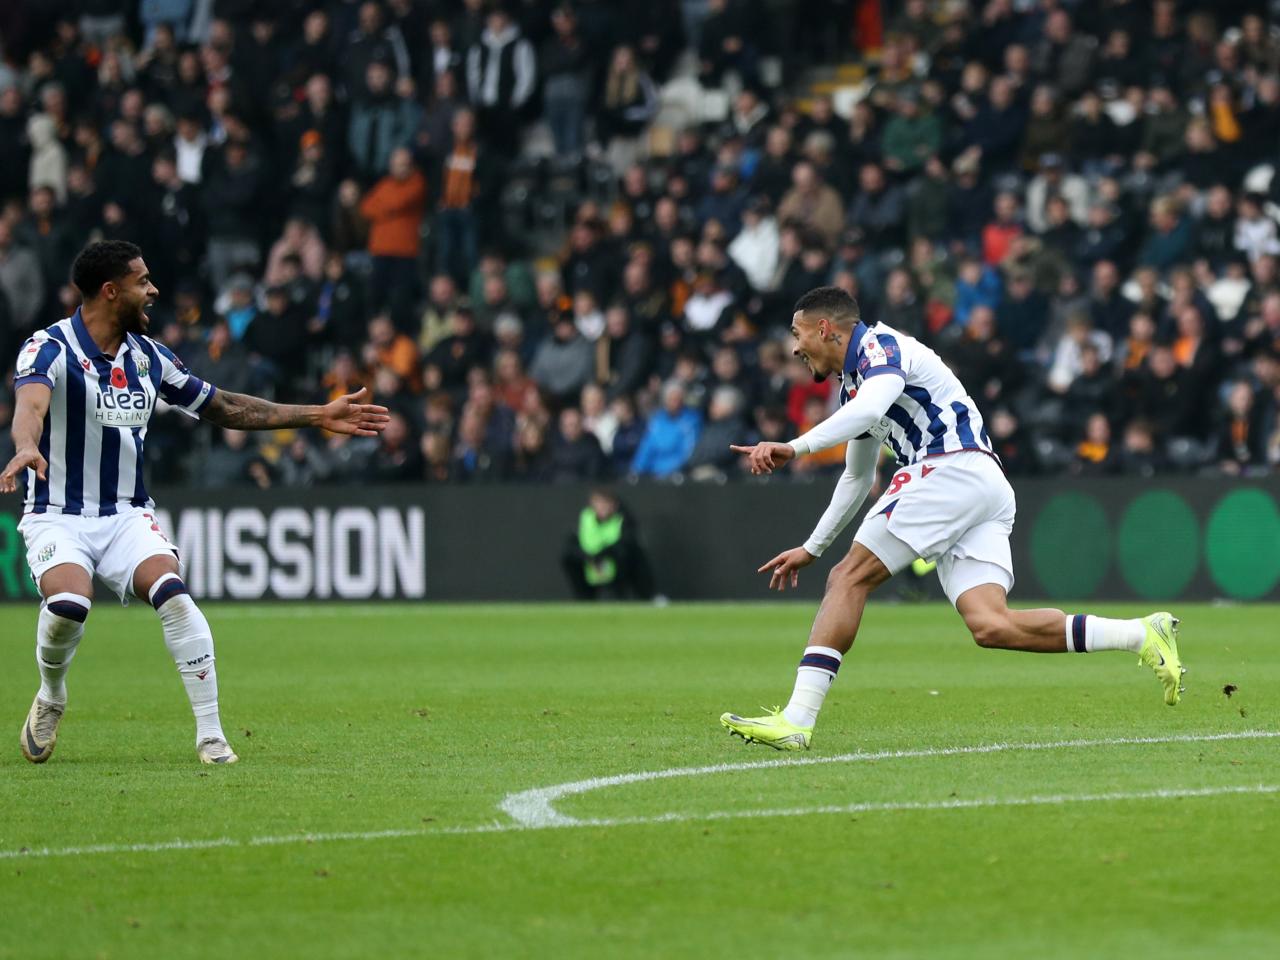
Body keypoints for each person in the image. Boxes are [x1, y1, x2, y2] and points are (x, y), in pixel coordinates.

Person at [720, 286, 1185, 751]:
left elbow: (870, 409)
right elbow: (857, 477)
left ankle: (798, 720)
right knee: (991, 625)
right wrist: (812, 547)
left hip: (949, 467)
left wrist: (795, 447)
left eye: (798, 335)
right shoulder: (852, 386)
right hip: (981, 482)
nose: (795, 347)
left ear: (826, 329)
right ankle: (1142, 634)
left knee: (848, 579)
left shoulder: (882, 348)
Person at [1, 241, 390, 766]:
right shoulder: (47, 347)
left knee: (174, 595)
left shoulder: (149, 357)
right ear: (111, 291)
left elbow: (225, 406)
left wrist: (317, 414)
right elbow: (30, 406)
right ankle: (51, 694)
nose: (153, 290)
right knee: (71, 606)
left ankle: (211, 735)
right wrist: (26, 445)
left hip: (126, 514)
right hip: (57, 514)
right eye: (142, 281)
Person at [560, 489, 654, 600]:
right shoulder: (586, 518)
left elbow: (625, 543)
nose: (601, 507)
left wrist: (602, 554)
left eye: (604, 504)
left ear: (613, 505)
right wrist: (589, 557)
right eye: (598, 503)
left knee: (632, 555)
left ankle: (644, 596)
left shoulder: (622, 519)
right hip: (590, 563)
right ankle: (584, 599)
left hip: (615, 564)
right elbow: (572, 544)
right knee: (567, 557)